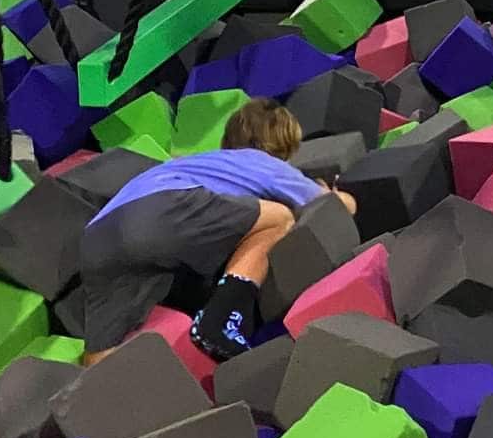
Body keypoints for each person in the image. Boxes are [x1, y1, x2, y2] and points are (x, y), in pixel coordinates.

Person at [77, 99, 352, 364]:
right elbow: (332, 207)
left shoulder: (194, 162)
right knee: (279, 217)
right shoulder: (263, 162)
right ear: (285, 146)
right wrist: (338, 194)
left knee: (102, 353)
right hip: (165, 211)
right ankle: (224, 318)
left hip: (98, 237)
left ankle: (100, 403)